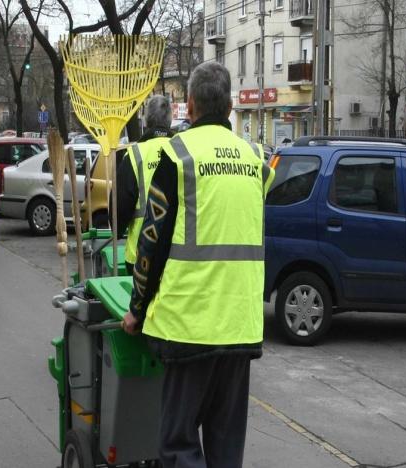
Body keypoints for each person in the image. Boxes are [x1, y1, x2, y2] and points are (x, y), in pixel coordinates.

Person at [122, 62, 275, 468]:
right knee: (226, 448)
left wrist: (137, 309)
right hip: (240, 325)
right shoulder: (258, 160)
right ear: (229, 108)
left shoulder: (177, 156)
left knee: (177, 443)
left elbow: (151, 244)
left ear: (189, 106)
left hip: (188, 325)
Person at [113, 95, 173, 274]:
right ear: (169, 121)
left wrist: (117, 231)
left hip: (140, 255)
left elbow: (119, 208)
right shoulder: (184, 151)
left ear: (146, 121)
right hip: (176, 257)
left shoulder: (135, 155)